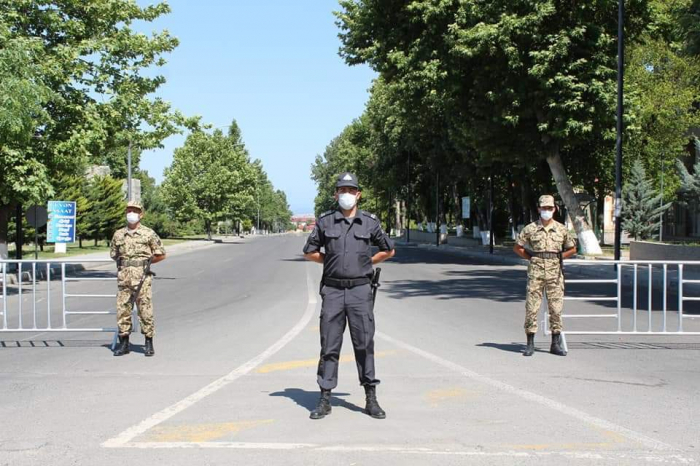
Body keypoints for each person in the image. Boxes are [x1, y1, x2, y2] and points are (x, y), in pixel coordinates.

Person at [303, 172, 396, 420]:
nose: (346, 194)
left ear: (358, 194)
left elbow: (388, 249)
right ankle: (324, 398)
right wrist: (330, 262)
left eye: (350, 190)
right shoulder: (325, 222)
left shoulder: (369, 222)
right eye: (342, 190)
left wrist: (367, 262)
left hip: (359, 291)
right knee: (329, 345)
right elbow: (310, 252)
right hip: (333, 290)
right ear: (336, 194)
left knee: (364, 344)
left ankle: (370, 398)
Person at [513, 195, 577, 357]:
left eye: (550, 208)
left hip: (555, 274)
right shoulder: (530, 228)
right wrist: (532, 258)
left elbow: (572, 248)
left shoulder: (561, 229)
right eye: (544, 208)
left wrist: (559, 257)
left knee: (556, 308)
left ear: (554, 209)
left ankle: (555, 344)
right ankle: (530, 343)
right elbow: (518, 248)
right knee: (532, 307)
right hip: (536, 272)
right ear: (539, 209)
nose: (547, 211)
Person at [110, 201, 166, 357]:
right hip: (124, 279)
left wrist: (145, 263)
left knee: (145, 311)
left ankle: (148, 343)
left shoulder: (148, 233)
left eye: (135, 211)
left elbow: (161, 253)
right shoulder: (118, 234)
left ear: (141, 214)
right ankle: (124, 344)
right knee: (123, 311)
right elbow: (114, 255)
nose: (132, 213)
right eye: (129, 210)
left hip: (142, 279)